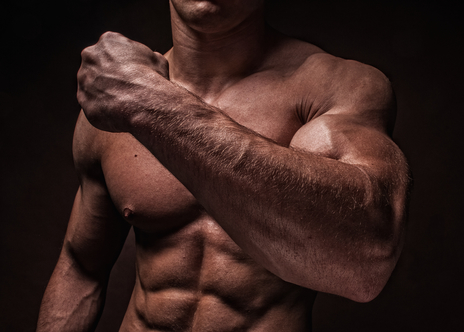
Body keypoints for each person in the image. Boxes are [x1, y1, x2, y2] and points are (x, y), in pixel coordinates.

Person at [37, 0, 410, 331]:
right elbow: (81, 267)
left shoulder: (333, 90)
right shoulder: (111, 104)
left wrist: (149, 102)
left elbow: (367, 257)